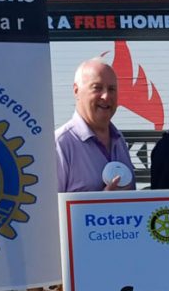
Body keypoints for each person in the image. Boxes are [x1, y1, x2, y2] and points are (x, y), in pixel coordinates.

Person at [55, 58, 136, 192]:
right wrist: (100, 205)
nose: (106, 96)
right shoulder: (60, 144)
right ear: (76, 91)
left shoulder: (119, 140)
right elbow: (49, 210)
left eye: (112, 89)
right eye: (97, 88)